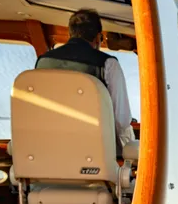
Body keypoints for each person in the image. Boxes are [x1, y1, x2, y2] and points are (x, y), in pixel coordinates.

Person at [35, 9, 134, 156]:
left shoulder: (42, 62)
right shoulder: (108, 64)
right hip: (93, 156)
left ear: (70, 34)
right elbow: (121, 120)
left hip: (50, 152)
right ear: (98, 37)